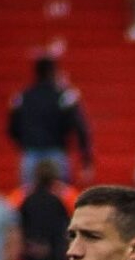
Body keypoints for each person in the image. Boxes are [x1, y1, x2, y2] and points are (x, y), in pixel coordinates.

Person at [8, 56, 93, 186]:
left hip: (31, 152)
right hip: (56, 152)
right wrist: (86, 160)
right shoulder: (63, 97)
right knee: (59, 197)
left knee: (29, 197)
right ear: (52, 72)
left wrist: (25, 143)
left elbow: (12, 129)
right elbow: (80, 128)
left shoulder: (23, 97)